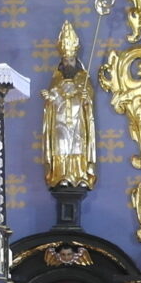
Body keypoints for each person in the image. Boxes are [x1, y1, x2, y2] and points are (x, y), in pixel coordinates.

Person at [41, 18, 98, 189]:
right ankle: (60, 176)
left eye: (71, 61)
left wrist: (86, 97)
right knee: (61, 144)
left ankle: (80, 175)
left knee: (78, 145)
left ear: (76, 60)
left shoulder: (83, 78)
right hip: (60, 122)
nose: (68, 64)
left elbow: (89, 98)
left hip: (77, 122)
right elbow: (53, 97)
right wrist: (50, 98)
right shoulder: (57, 79)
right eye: (65, 61)